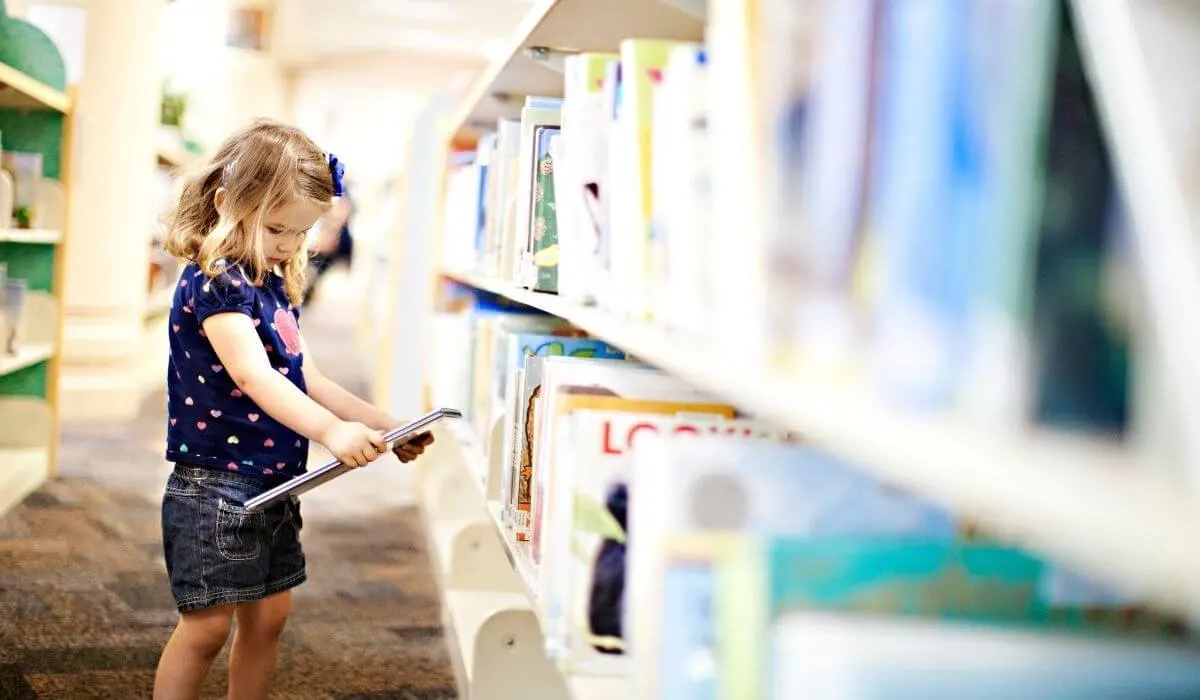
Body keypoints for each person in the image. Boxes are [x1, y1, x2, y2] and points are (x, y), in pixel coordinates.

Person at [152, 119, 434, 700]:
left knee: (270, 618)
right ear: (229, 204)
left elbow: (306, 376)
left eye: (300, 234)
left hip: (276, 484)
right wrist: (331, 431)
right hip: (216, 488)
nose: (288, 246)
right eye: (277, 229)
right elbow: (254, 376)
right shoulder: (216, 283)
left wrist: (386, 425)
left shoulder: (269, 282)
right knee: (205, 628)